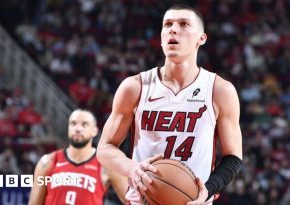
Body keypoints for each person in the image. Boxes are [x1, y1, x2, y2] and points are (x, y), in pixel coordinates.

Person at [97, 4, 243, 205]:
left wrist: (207, 190)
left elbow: (233, 158)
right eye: (167, 25)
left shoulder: (219, 90)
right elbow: (105, 148)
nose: (173, 29)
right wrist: (131, 168)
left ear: (201, 38)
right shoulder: (135, 87)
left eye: (183, 24)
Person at [28, 109, 127, 205]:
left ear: (94, 131)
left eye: (84, 125)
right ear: (68, 128)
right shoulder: (48, 162)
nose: (78, 129)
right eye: (73, 124)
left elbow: (132, 200)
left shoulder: (105, 165)